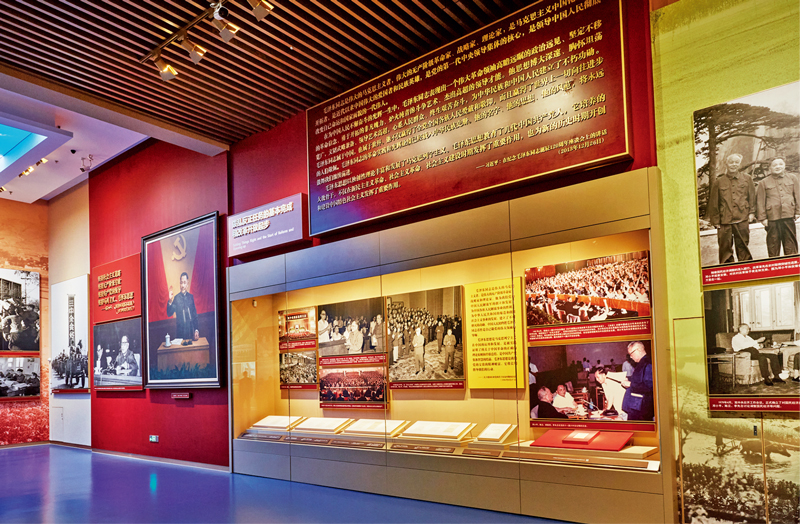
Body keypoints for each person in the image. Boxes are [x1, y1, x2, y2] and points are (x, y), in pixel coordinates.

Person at [706, 153, 756, 264]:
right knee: (725, 248)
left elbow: (752, 197)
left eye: (736, 162)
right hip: (724, 220)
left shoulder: (747, 179)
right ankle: (727, 269)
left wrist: (752, 213)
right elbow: (714, 203)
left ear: (739, 164)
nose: (734, 164)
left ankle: (746, 267)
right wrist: (716, 221)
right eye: (731, 162)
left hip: (742, 218)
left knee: (743, 246)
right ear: (726, 164)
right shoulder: (719, 181)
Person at [756, 157, 799, 257]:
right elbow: (760, 201)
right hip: (772, 217)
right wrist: (762, 218)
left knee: (790, 244)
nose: (778, 167)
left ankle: (791, 264)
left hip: (788, 214)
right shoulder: (764, 182)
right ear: (770, 167)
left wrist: (798, 211)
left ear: (784, 165)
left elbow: (798, 195)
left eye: (780, 164)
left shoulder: (792, 178)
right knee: (773, 244)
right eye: (774, 165)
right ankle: (774, 264)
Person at [621, 341, 655, 421]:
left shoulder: (648, 364)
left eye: (631, 354)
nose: (631, 357)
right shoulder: (641, 363)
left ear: (638, 350)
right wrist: (629, 379)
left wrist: (630, 384)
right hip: (636, 407)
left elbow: (649, 386)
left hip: (642, 409)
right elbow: (639, 380)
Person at [167, 272, 199, 344]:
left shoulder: (191, 297)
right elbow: (169, 313)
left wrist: (196, 330)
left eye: (184, 283)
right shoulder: (176, 298)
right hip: (180, 334)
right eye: (181, 283)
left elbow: (194, 315)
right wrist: (170, 300)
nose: (183, 285)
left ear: (187, 284)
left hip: (191, 334)